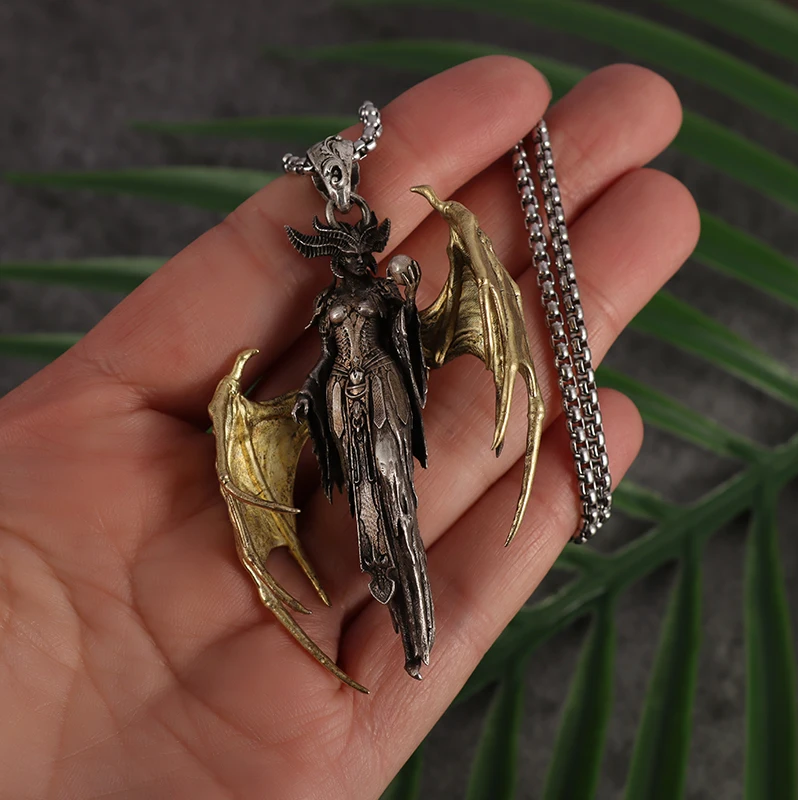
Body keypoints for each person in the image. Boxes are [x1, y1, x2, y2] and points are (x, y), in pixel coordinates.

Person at [0, 56, 698, 799]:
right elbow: (326, 361)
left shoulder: (390, 291)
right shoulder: (330, 304)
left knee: (397, 498)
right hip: (339, 402)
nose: (347, 250)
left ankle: (416, 617)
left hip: (388, 399)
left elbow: (411, 346)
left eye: (354, 242)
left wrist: (407, 299)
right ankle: (390, 588)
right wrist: (302, 403)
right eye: (339, 245)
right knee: (366, 514)